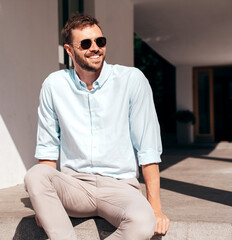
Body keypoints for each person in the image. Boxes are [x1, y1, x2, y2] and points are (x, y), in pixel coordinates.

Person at [24, 14, 170, 240]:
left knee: (144, 222)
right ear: (69, 51)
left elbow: (147, 147)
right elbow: (48, 148)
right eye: (85, 43)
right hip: (75, 187)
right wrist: (45, 208)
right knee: (35, 175)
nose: (95, 48)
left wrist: (156, 208)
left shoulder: (132, 80)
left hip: (120, 188)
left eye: (100, 41)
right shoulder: (54, 85)